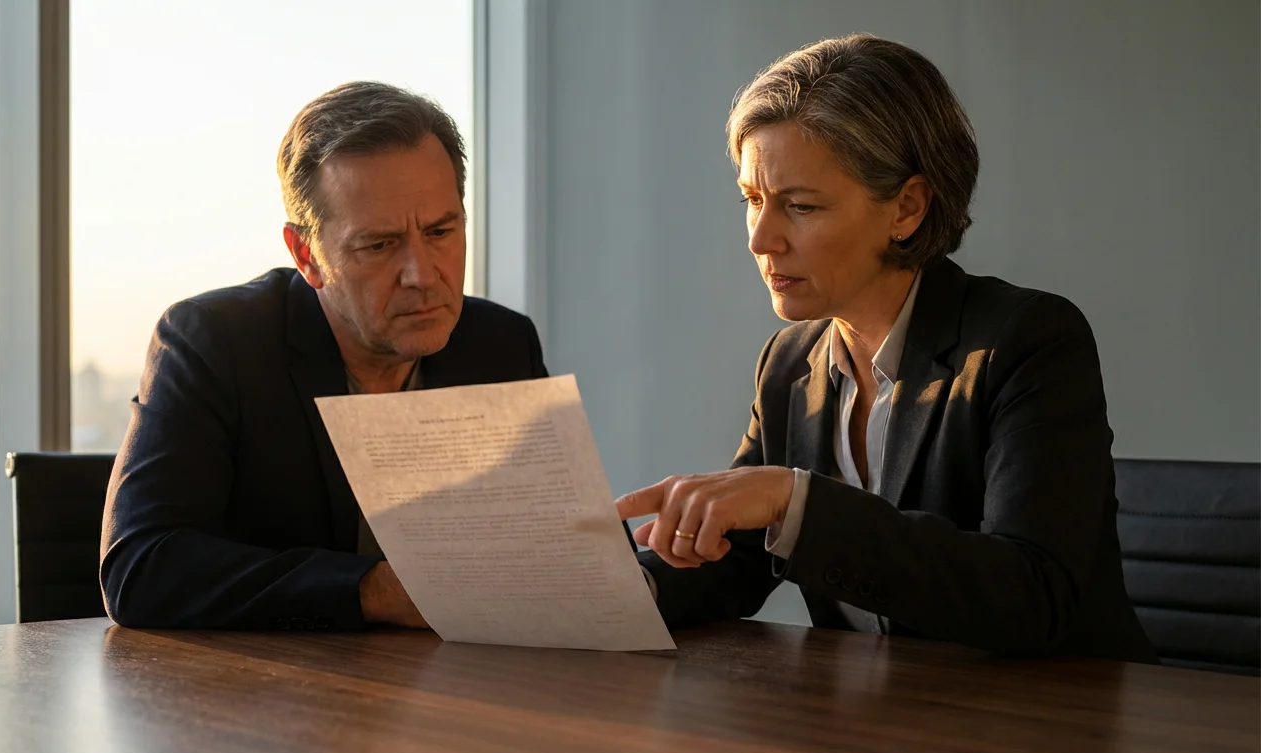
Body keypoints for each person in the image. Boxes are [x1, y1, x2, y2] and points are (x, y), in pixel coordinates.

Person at [618, 35, 1157, 662]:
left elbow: (1030, 593)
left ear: (906, 207)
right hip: (888, 720)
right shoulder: (788, 363)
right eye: (753, 200)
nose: (761, 239)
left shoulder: (1029, 340)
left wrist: (799, 501)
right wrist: (630, 584)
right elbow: (738, 557)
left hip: (1055, 725)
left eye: (799, 205)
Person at [100, 82, 548, 631]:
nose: (422, 274)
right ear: (306, 254)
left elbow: (567, 560)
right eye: (379, 245)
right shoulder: (214, 341)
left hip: (467, 692)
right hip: (272, 702)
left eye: (440, 231)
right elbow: (140, 570)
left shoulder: (500, 345)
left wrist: (673, 542)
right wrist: (371, 589)